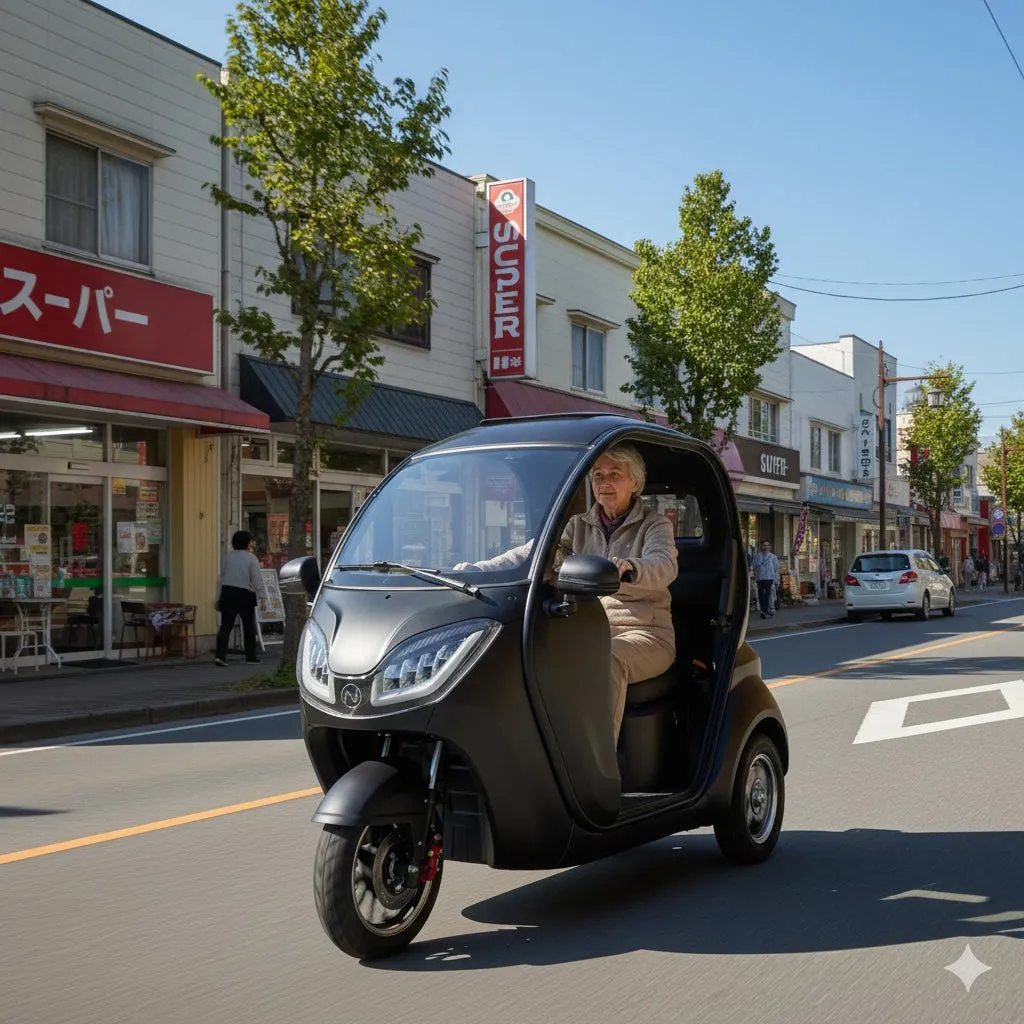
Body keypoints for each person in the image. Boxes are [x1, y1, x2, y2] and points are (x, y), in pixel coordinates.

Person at [455, 444, 678, 745]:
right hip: (587, 630)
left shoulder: (655, 525)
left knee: (606, 659)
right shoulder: (578, 525)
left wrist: (629, 569)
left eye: (614, 474)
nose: (603, 482)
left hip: (644, 633)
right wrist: (477, 570)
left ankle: (598, 767)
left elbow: (664, 565)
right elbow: (533, 555)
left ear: (635, 483)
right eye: (597, 475)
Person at [214, 530, 265, 666]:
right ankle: (251, 656)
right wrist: (262, 596)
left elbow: (221, 578)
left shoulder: (227, 557)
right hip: (245, 593)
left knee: (225, 626)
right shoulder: (251, 558)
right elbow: (256, 579)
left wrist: (217, 597)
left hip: (227, 592)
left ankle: (220, 656)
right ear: (248, 543)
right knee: (249, 626)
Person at [750, 540, 780, 619]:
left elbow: (776, 569)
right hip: (760, 578)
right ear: (761, 547)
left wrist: (777, 580)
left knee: (767, 594)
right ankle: (766, 610)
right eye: (764, 545)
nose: (766, 547)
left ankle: (765, 611)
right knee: (761, 595)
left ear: (770, 547)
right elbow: (754, 566)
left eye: (767, 545)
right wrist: (754, 576)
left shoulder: (773, 557)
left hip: (770, 578)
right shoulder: (758, 556)